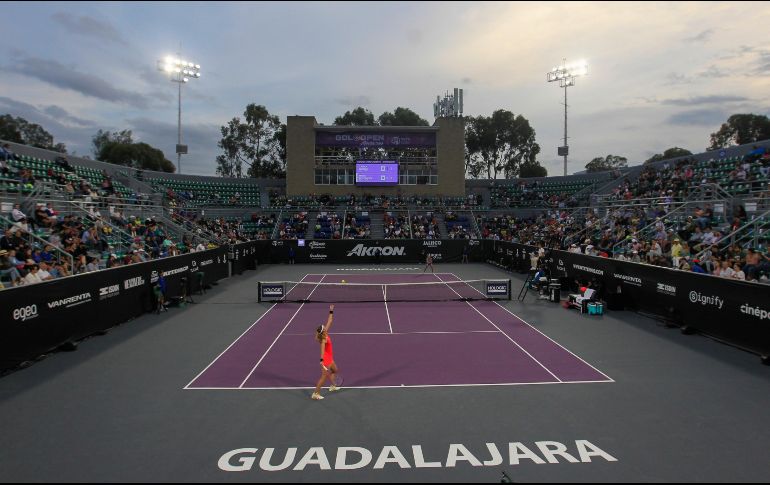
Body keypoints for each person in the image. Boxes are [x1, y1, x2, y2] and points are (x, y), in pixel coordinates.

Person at [312, 304, 340, 401]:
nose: (325, 326)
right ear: (323, 331)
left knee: (335, 370)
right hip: (325, 359)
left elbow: (330, 321)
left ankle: (332, 385)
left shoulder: (325, 333)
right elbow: (322, 350)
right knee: (323, 377)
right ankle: (316, 393)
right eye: (324, 327)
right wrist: (321, 360)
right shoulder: (324, 339)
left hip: (330, 358)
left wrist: (331, 311)